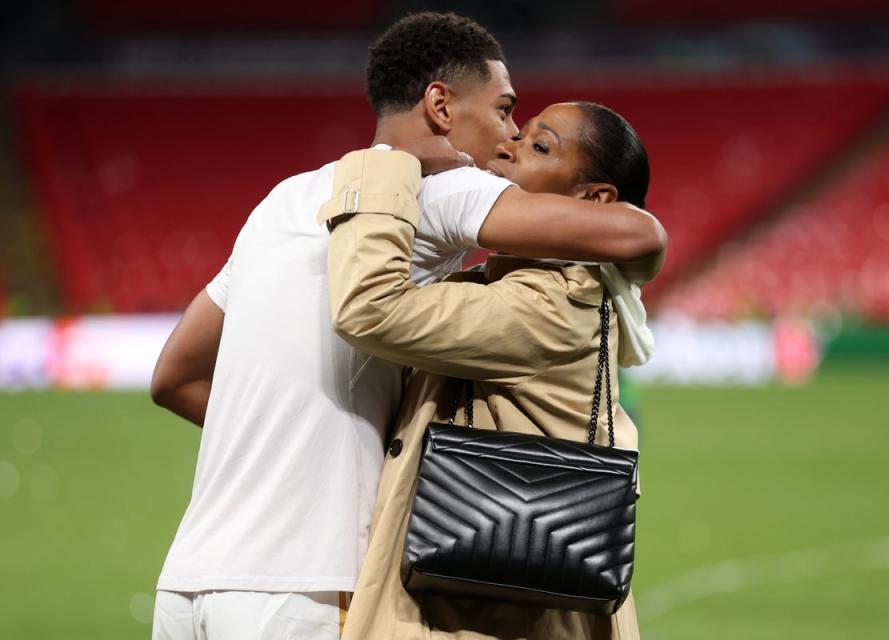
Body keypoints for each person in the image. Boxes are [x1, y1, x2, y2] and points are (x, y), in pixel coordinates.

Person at [150, 12, 665, 640]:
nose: (505, 137)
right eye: (505, 111)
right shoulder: (442, 191)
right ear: (441, 107)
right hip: (307, 585)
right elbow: (637, 233)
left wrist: (283, 436)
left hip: (189, 580)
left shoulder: (284, 199)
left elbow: (172, 377)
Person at [323, 101, 663, 639]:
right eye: (519, 134)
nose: (507, 146)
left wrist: (388, 165)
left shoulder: (552, 303)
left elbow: (371, 309)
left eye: (539, 145)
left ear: (594, 202)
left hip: (485, 614)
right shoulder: (523, 284)